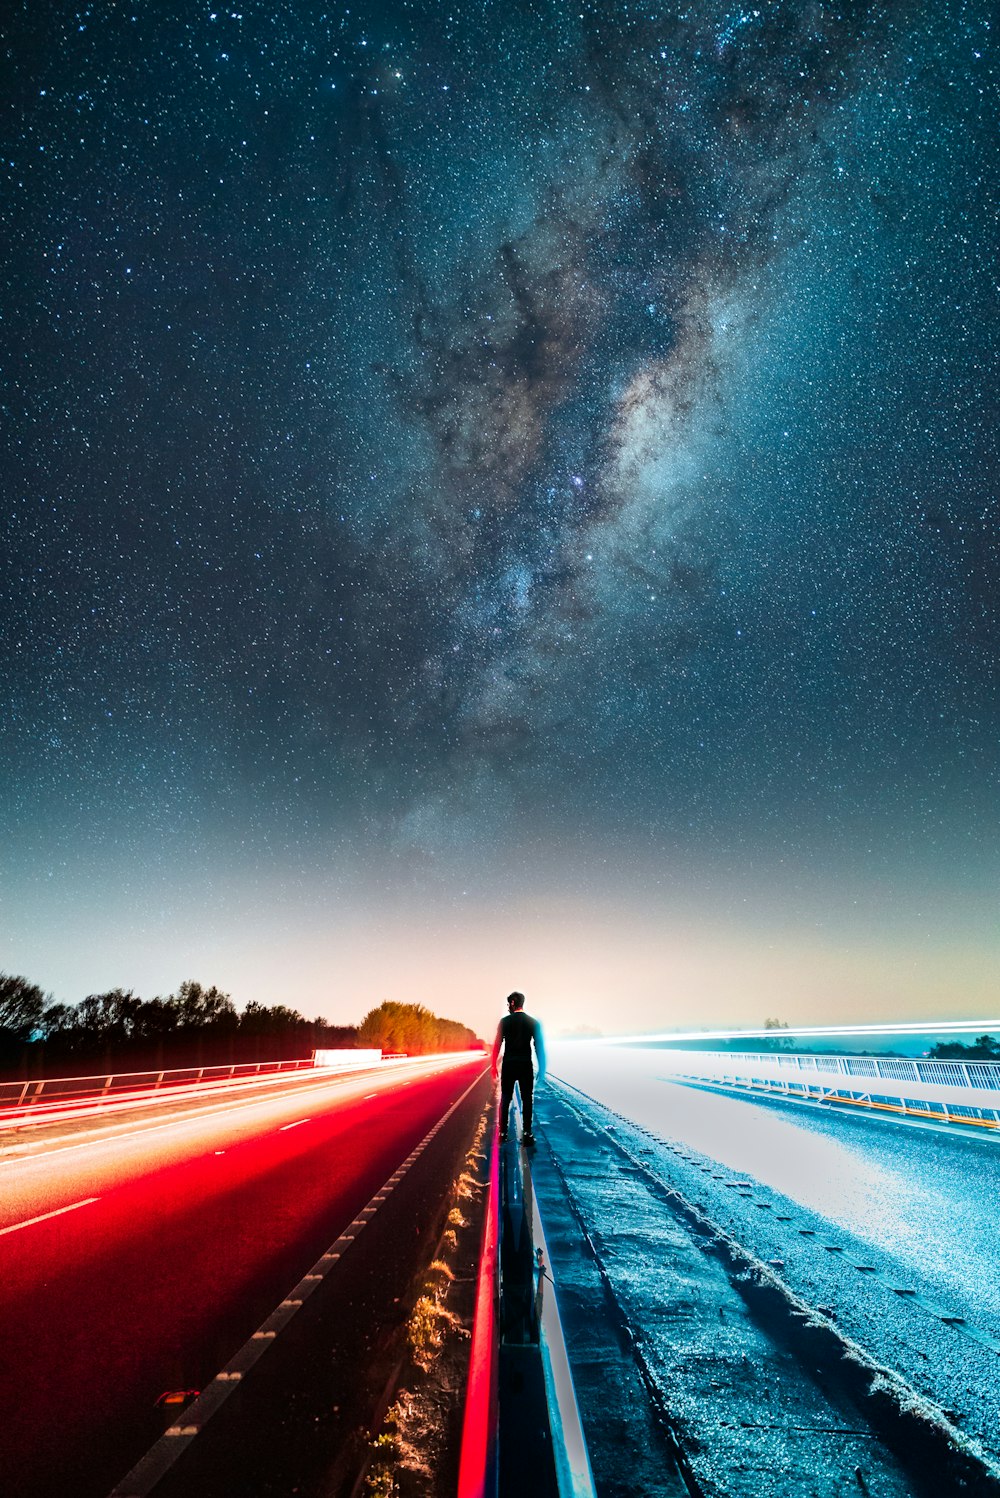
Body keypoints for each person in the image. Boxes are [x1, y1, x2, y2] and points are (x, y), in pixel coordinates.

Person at [491, 990, 546, 1146]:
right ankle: (527, 1133)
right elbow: (538, 1046)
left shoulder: (504, 1022)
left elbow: (497, 1045)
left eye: (509, 1003)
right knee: (527, 1099)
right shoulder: (532, 1022)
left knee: (506, 1099)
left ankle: (502, 1133)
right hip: (525, 1066)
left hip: (509, 1065)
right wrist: (541, 1068)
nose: (508, 1006)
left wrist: (493, 1065)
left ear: (513, 1003)